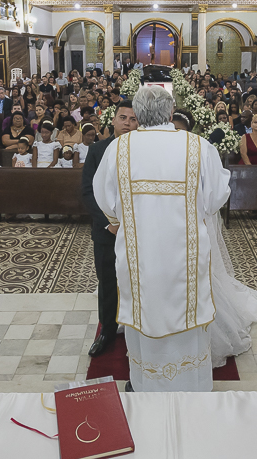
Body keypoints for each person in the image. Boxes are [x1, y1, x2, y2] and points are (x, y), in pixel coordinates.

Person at [94, 87, 231, 392]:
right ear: (170, 113)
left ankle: (146, 384)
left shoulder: (119, 149)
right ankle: (191, 385)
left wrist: (117, 221)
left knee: (145, 312)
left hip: (139, 255)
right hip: (185, 258)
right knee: (187, 314)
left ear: (139, 115)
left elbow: (103, 196)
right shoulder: (197, 146)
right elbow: (216, 197)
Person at [82, 102, 137, 357]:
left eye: (133, 119)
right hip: (107, 231)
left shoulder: (144, 151)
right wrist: (109, 223)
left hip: (138, 230)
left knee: (138, 279)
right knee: (107, 279)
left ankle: (138, 327)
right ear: (113, 120)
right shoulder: (97, 150)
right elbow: (87, 191)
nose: (127, 123)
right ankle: (107, 330)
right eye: (123, 117)